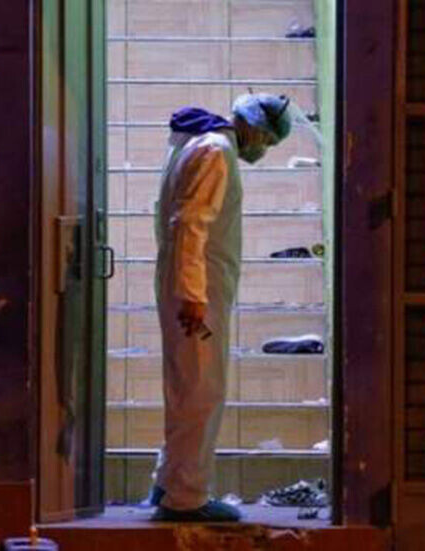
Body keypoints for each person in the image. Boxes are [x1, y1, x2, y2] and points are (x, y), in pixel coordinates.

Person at [148, 93, 294, 522]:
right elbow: (190, 222)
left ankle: (168, 483)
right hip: (199, 293)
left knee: (186, 388)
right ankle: (186, 498)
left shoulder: (199, 143)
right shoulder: (216, 152)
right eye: (267, 140)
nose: (263, 149)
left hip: (189, 286)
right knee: (201, 391)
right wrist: (193, 294)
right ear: (253, 126)